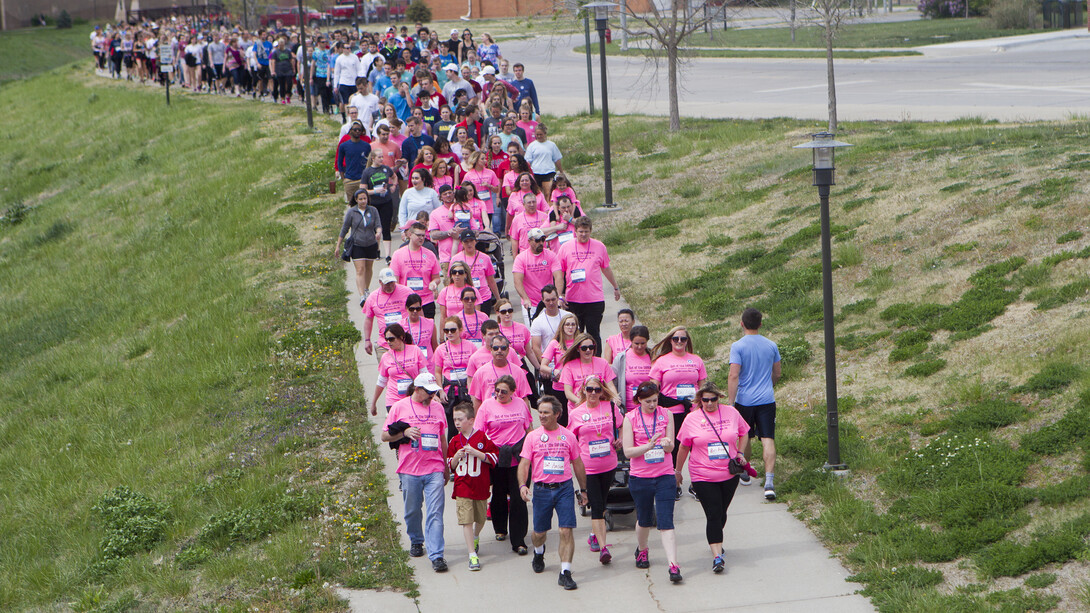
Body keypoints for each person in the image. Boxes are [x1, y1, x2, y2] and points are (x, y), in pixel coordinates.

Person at [675, 384, 748, 575]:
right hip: (702, 475)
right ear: (700, 401)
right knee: (714, 513)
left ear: (719, 398)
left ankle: (715, 538)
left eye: (712, 399)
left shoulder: (731, 413)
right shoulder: (691, 419)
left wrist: (740, 452)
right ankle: (718, 556)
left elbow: (744, 432)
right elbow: (683, 447)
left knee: (722, 512)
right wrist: (677, 471)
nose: (709, 403)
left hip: (729, 474)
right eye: (704, 400)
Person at [381, 373, 450, 572]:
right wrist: (404, 433)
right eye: (428, 392)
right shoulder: (399, 407)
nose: (431, 396)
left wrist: (445, 467)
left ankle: (437, 555)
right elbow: (384, 435)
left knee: (435, 513)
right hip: (410, 469)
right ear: (417, 390)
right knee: (412, 510)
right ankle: (416, 540)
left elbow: (443, 439)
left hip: (434, 467)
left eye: (433, 392)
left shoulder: (437, 408)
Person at [518, 396, 589, 590]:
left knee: (566, 530)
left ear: (557, 414)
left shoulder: (568, 436)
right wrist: (523, 485)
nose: (541, 416)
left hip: (564, 489)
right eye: (540, 412)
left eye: (546, 412)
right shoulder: (532, 437)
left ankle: (565, 572)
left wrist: (583, 490)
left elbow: (578, 463)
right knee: (539, 533)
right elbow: (524, 463)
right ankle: (539, 552)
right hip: (541, 490)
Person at [621, 381, 682, 583]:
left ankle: (673, 565)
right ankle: (642, 549)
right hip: (641, 477)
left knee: (666, 521)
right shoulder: (630, 418)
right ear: (639, 400)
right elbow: (628, 452)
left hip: (664, 475)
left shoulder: (667, 414)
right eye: (648, 401)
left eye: (655, 400)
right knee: (644, 519)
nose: (652, 405)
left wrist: (666, 444)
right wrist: (649, 445)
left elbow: (671, 447)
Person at [726, 308, 782, 498]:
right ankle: (769, 482)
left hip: (745, 400)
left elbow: (734, 375)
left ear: (741, 323)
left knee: (745, 436)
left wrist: (731, 402)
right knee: (768, 438)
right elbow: (777, 373)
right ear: (760, 324)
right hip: (767, 399)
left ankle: (745, 472)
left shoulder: (738, 346)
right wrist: (769, 385)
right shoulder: (771, 345)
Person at [567, 375, 623, 565]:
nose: (593, 393)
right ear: (583, 390)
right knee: (597, 506)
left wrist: (620, 439)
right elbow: (570, 438)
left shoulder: (611, 408)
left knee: (603, 500)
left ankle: (593, 534)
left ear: (602, 391)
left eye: (596, 390)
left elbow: (622, 426)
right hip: (587, 467)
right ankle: (604, 548)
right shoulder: (576, 413)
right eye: (589, 389)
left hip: (609, 464)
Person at [474, 375, 533, 554]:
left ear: (513, 392)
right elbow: (479, 433)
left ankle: (519, 540)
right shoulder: (487, 406)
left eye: (504, 392)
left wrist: (532, 451)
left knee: (518, 498)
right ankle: (500, 528)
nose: (499, 394)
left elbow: (528, 428)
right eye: (497, 390)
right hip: (496, 457)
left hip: (518, 458)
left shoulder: (521, 404)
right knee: (498, 494)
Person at [649, 325, 707, 497]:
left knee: (697, 448)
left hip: (693, 412)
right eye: (676, 339)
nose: (679, 342)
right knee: (673, 448)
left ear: (687, 341)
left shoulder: (696, 360)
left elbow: (703, 386)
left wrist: (702, 405)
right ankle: (673, 482)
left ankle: (697, 483)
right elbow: (653, 389)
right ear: (670, 341)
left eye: (683, 339)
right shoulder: (661, 361)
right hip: (671, 411)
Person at [555, 216, 621, 355]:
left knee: (593, 333)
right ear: (575, 232)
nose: (583, 234)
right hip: (573, 299)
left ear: (590, 231)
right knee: (573, 335)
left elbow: (606, 268)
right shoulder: (565, 247)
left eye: (586, 231)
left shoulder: (599, 246)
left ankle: (597, 362)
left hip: (594, 300)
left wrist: (615, 287)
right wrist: (560, 295)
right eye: (580, 231)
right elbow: (559, 273)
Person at [447, 402, 499, 571]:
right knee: (466, 520)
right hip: (463, 486)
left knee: (481, 518)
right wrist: (456, 456)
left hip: (480, 485)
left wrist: (477, 453)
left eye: (460, 419)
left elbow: (494, 458)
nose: (456, 422)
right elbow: (451, 465)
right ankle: (472, 555)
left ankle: (476, 536)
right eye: (455, 419)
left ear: (471, 420)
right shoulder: (455, 441)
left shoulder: (482, 437)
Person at [334, 189, 383, 304]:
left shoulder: (373, 210)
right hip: (357, 244)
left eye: (365, 198)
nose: (363, 201)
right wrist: (338, 246)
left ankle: (366, 289)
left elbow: (378, 225)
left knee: (369, 268)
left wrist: (378, 232)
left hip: (371, 244)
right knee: (360, 269)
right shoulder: (352, 212)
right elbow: (344, 229)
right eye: (360, 199)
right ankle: (361, 295)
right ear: (356, 200)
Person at [372, 323, 430, 415]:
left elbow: (425, 374)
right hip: (394, 399)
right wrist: (373, 403)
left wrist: (431, 395)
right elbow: (381, 381)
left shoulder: (415, 350)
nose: (388, 342)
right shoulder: (386, 356)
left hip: (414, 397)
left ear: (401, 337)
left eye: (391, 339)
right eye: (386, 339)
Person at [434, 316, 476, 439]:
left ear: (460, 330)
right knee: (452, 427)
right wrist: (440, 391)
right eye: (446, 331)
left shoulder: (471, 346)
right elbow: (437, 372)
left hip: (466, 390)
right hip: (449, 392)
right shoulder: (441, 349)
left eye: (453, 330)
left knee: (469, 424)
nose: (450, 333)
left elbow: (475, 370)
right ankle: (452, 456)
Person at [390, 221, 441, 319]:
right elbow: (395, 281)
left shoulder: (430, 255)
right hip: (406, 300)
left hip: (426, 300)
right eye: (418, 235)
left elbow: (436, 278)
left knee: (427, 331)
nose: (422, 238)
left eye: (423, 235)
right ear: (410, 234)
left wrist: (434, 283)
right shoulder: (398, 254)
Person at [468, 334, 532, 409]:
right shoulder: (480, 373)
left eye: (503, 348)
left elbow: (524, 399)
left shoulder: (519, 371)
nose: (499, 351)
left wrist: (528, 419)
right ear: (491, 350)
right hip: (490, 414)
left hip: (514, 413)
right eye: (495, 348)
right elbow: (477, 400)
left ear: (508, 350)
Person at [537, 314, 580, 426]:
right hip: (560, 386)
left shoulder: (580, 343)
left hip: (577, 386)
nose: (570, 327)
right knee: (561, 418)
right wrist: (553, 371)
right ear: (562, 326)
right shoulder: (555, 343)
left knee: (577, 417)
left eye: (573, 324)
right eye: (567, 324)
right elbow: (543, 366)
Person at [362, 268, 415, 357]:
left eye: (392, 283)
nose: (390, 286)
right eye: (387, 284)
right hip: (385, 344)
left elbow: (418, 311)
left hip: (405, 342)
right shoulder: (373, 297)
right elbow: (368, 319)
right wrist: (367, 340)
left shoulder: (407, 292)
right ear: (380, 282)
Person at [513, 229, 561, 325]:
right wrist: (525, 298)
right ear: (529, 241)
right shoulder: (521, 258)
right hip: (531, 303)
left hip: (549, 302)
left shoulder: (551, 255)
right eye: (537, 240)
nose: (541, 243)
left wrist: (558, 297)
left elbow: (558, 277)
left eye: (543, 240)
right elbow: (517, 281)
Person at [449, 229, 500, 315]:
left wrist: (498, 299)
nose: (469, 244)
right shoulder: (455, 259)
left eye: (471, 241)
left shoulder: (485, 258)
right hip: (466, 299)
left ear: (475, 241)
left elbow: (491, 280)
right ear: (462, 243)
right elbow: (451, 281)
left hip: (483, 297)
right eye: (466, 242)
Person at [559, 334, 618, 406]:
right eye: (584, 348)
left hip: (600, 406)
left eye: (591, 347)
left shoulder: (603, 363)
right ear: (578, 349)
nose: (588, 350)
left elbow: (610, 385)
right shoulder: (569, 366)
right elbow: (568, 393)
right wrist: (583, 403)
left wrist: (615, 397)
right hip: (578, 407)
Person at [360, 150, 397, 259]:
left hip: (386, 201)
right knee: (375, 228)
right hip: (373, 203)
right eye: (379, 157)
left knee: (386, 227)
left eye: (382, 157)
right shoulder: (367, 172)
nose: (381, 159)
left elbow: (394, 176)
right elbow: (363, 190)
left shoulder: (385, 169)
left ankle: (388, 255)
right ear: (373, 158)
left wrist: (393, 185)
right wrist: (375, 191)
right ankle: (376, 250)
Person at [612, 325, 653, 414]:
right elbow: (613, 383)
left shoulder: (653, 357)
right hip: (629, 409)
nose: (639, 347)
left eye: (643, 343)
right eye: (636, 343)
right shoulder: (621, 358)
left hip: (650, 408)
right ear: (631, 341)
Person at [528, 285, 570, 358]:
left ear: (557, 298)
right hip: (550, 361)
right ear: (543, 300)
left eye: (553, 299)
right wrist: (545, 364)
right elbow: (535, 347)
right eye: (548, 300)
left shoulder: (569, 316)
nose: (551, 303)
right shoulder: (537, 322)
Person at [336, 121, 372, 204]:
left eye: (359, 130)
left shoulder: (366, 146)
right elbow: (339, 162)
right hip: (349, 179)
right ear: (350, 131)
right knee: (352, 204)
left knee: (365, 203)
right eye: (355, 129)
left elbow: (370, 161)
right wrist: (343, 178)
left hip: (363, 179)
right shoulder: (344, 146)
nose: (357, 131)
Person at [524, 124, 563, 199]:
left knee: (548, 193)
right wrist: (528, 172)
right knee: (537, 194)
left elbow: (557, 159)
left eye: (541, 134)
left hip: (549, 172)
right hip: (536, 172)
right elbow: (528, 161)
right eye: (537, 134)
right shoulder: (532, 146)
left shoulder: (551, 145)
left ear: (545, 134)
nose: (539, 136)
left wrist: (561, 171)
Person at [510, 192, 550, 258]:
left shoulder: (545, 216)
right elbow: (514, 239)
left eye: (534, 202)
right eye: (529, 202)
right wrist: (515, 257)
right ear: (524, 204)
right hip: (525, 255)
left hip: (542, 253)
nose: (532, 205)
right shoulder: (517, 219)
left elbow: (550, 236)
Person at [404, 293, 438, 363]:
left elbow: (435, 346)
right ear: (406, 308)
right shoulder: (401, 325)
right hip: (411, 363)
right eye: (412, 309)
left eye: (418, 309)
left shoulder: (430, 323)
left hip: (428, 362)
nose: (415, 311)